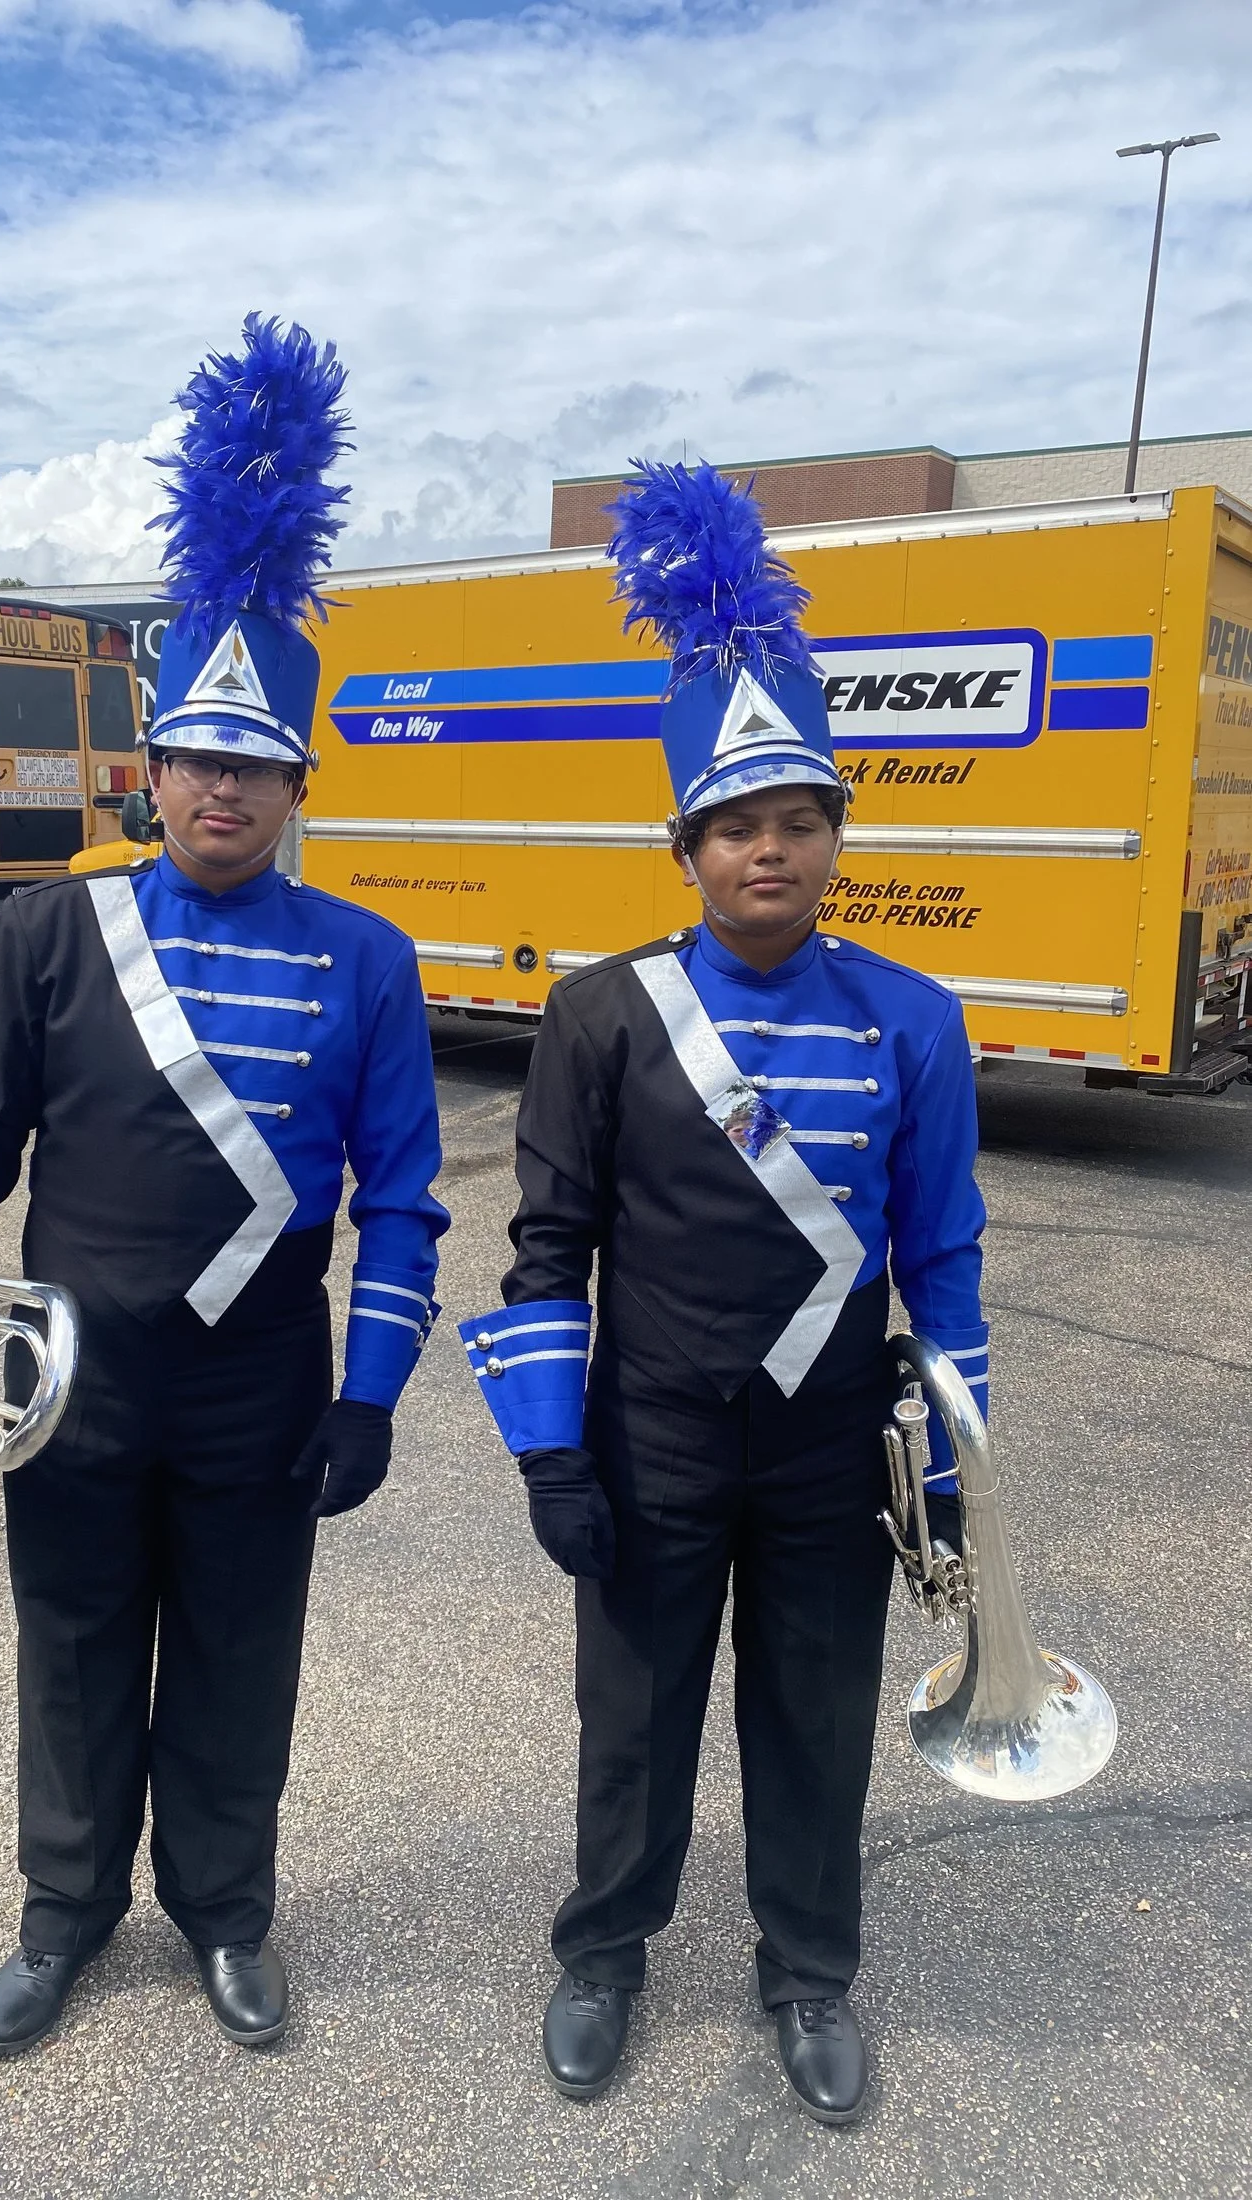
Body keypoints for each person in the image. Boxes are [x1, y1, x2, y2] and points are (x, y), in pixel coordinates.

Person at [0, 316, 447, 2058]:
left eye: (253, 768)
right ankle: (62, 1914)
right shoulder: (53, 932)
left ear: (292, 785)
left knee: (239, 1665)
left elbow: (405, 1199)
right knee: (73, 1651)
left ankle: (226, 1913)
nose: (219, 790)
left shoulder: (369, 960)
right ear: (152, 770)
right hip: (72, 1388)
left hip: (264, 1391)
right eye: (194, 761)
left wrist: (370, 1395)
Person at [458, 460, 986, 2123]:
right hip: (649, 1437)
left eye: (798, 820)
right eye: (737, 827)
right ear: (686, 845)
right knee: (630, 1719)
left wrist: (959, 1458)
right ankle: (603, 1949)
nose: (769, 851)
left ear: (837, 832)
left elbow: (943, 1249)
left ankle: (807, 1972)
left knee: (812, 1730)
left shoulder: (915, 1017)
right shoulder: (605, 1014)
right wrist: (551, 1450)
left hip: (831, 1447)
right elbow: (548, 1244)